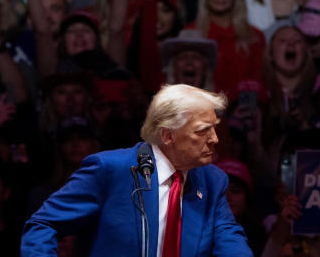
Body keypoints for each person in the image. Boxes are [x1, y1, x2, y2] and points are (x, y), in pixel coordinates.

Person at [22, 84, 253, 256]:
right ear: (168, 135)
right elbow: (43, 225)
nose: (214, 139)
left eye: (214, 129)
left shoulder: (212, 180)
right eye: (203, 130)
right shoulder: (110, 169)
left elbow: (230, 242)